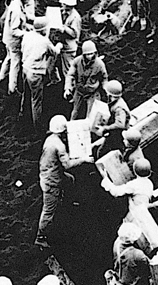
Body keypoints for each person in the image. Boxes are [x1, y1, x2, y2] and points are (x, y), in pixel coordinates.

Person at [36, 115, 88, 248]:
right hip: (52, 181)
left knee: (70, 180)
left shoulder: (50, 139)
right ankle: (40, 237)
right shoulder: (59, 145)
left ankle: (67, 201)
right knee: (48, 211)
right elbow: (68, 165)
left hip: (49, 173)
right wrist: (84, 159)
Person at [21, 17, 59, 133]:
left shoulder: (27, 35)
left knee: (26, 93)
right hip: (35, 73)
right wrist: (59, 46)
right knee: (36, 100)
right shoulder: (44, 41)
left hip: (25, 68)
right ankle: (38, 127)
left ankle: (22, 113)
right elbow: (55, 52)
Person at [0, 0, 35, 94]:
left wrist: (33, 21)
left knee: (9, 57)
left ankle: (1, 77)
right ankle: (12, 87)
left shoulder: (16, 4)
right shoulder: (16, 11)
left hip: (8, 39)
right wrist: (27, 34)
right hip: (13, 40)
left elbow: (24, 17)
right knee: (15, 62)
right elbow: (14, 30)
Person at [64, 40, 107, 120]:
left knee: (91, 115)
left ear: (95, 53)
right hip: (79, 91)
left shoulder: (100, 64)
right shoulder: (77, 61)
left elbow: (104, 78)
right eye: (87, 54)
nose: (90, 56)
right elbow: (70, 75)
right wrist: (67, 88)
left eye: (91, 53)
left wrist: (106, 89)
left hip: (92, 92)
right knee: (75, 113)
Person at [54, 0, 82, 79]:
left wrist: (64, 28)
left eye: (63, 4)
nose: (61, 5)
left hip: (69, 48)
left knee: (68, 71)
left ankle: (70, 88)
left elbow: (74, 34)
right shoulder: (65, 12)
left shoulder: (75, 17)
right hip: (63, 45)